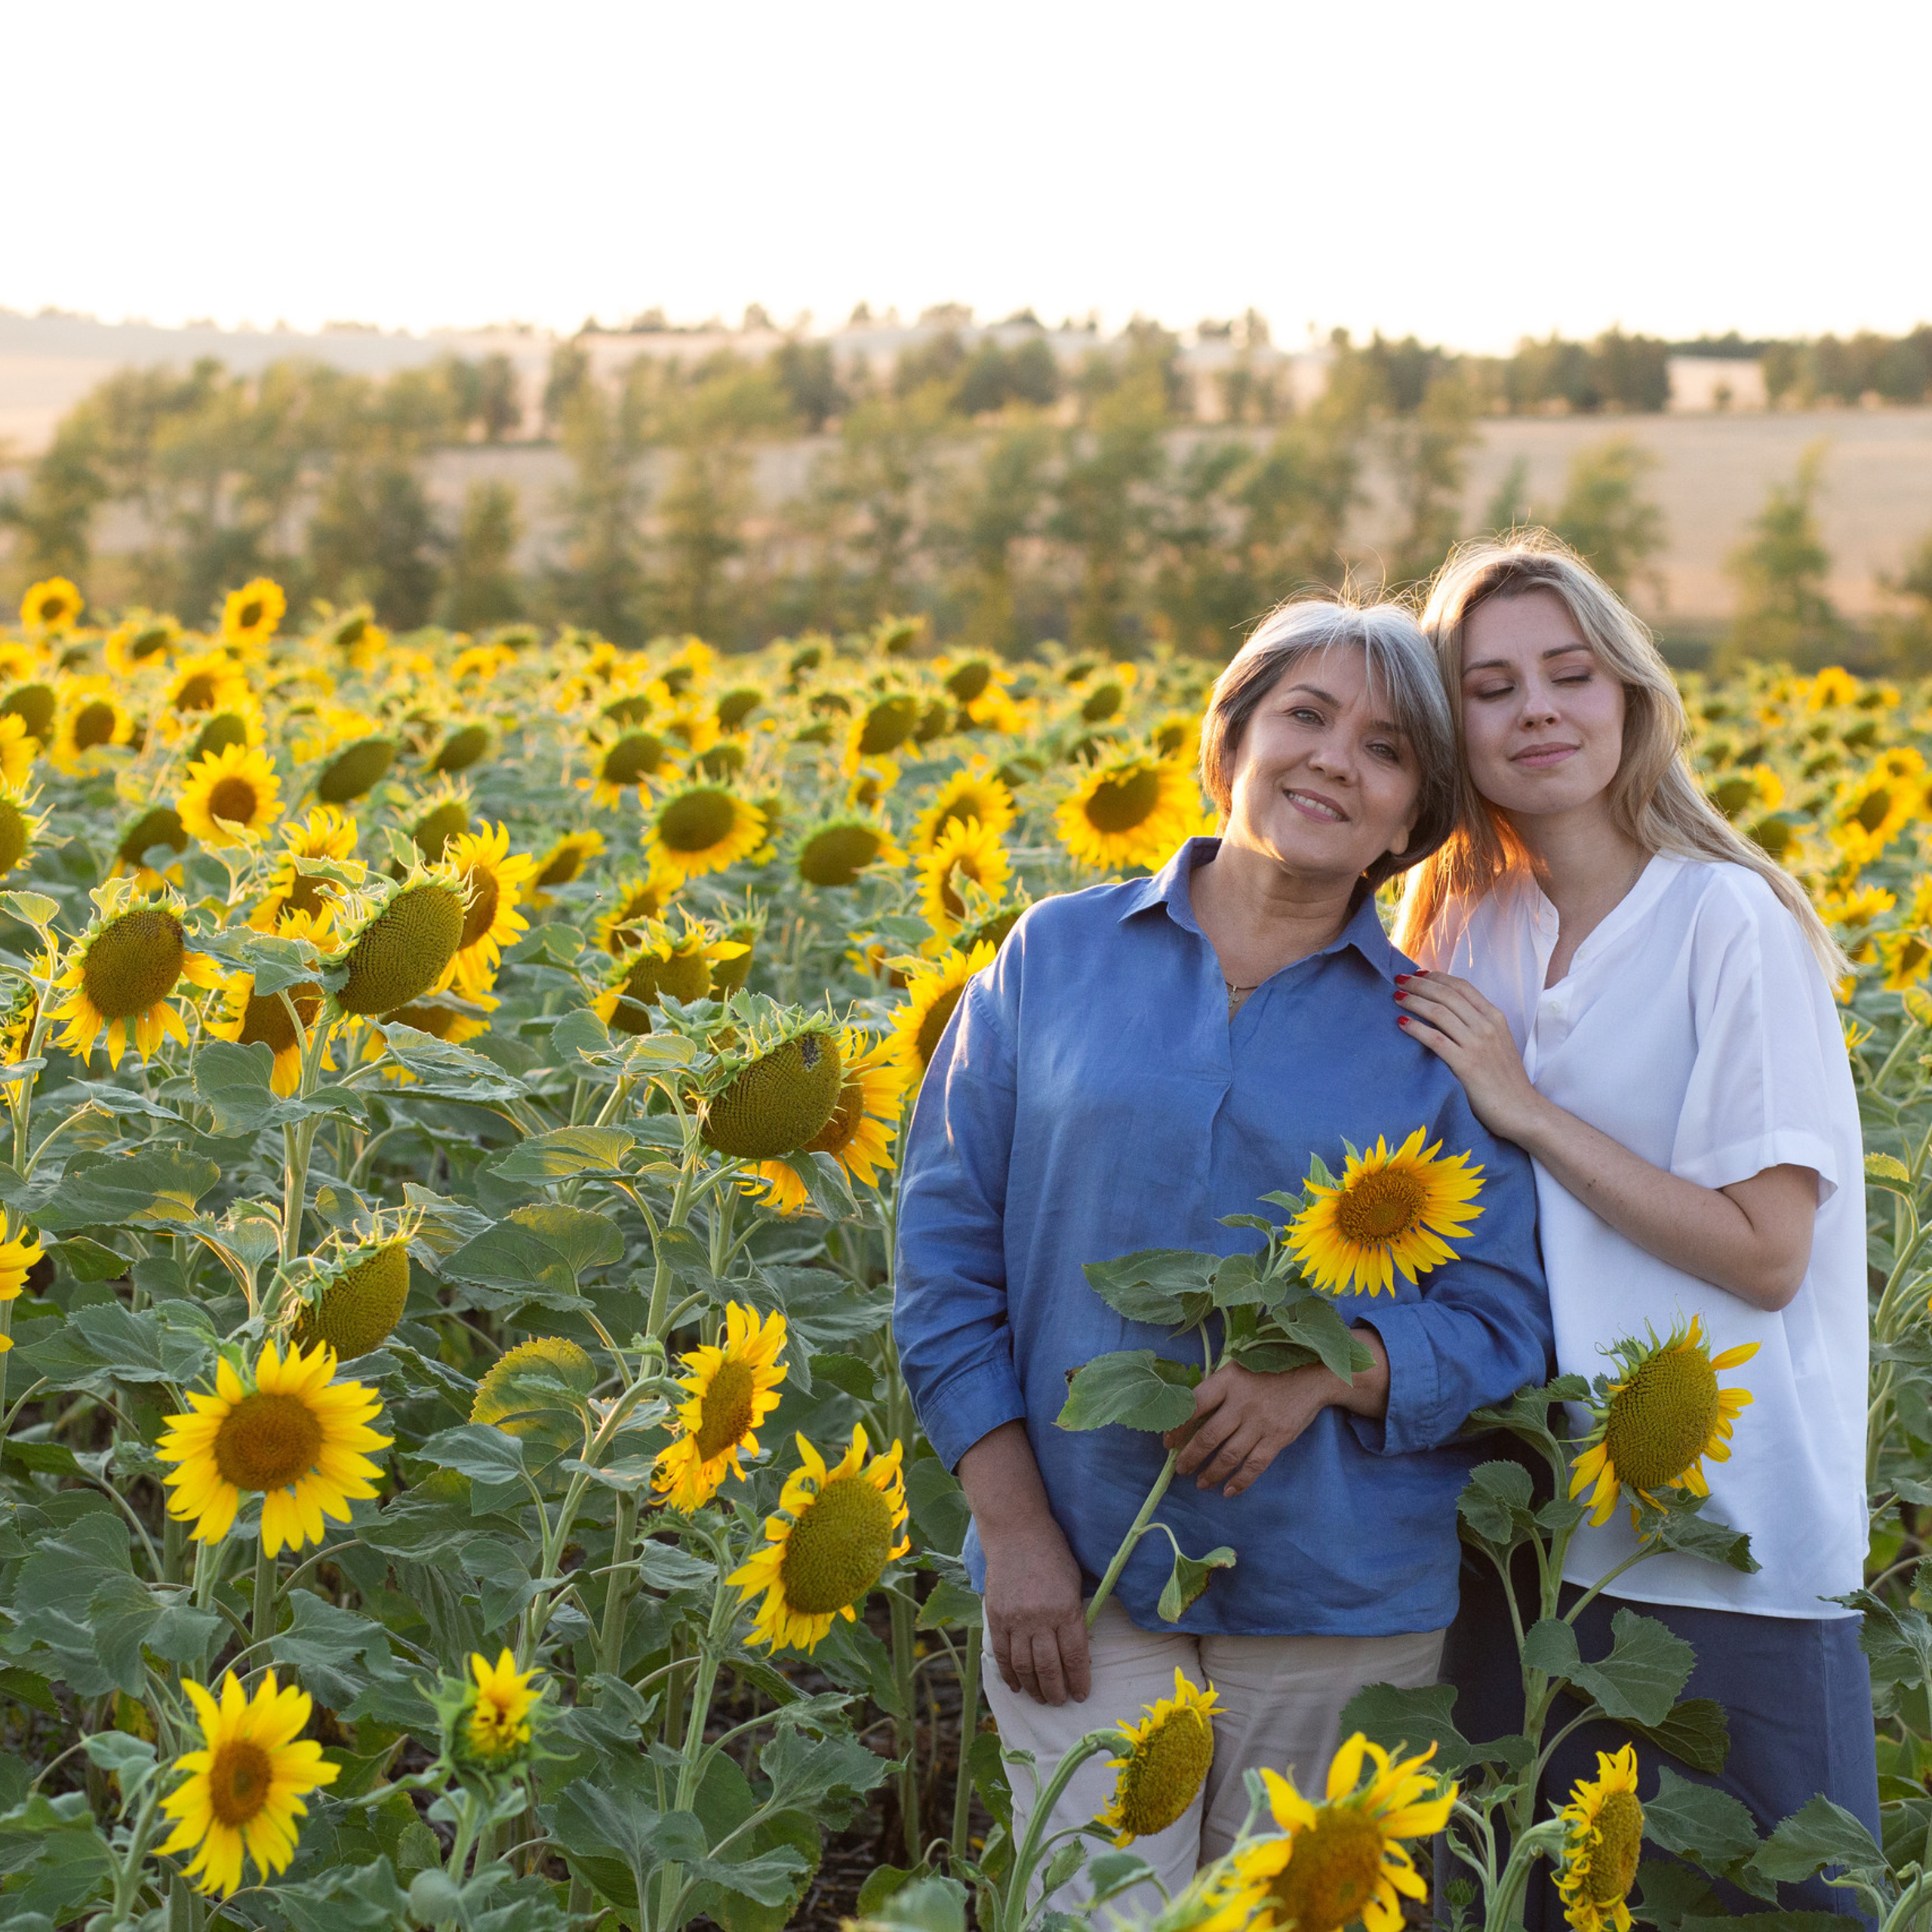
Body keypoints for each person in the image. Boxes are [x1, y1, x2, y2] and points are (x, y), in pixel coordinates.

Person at [894, 598, 1552, 1907]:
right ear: (1231, 740)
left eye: (1383, 749)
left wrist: (1328, 1370)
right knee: (1092, 1904)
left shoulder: (1434, 1035)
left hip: (1338, 1582)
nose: (1331, 761)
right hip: (1082, 1563)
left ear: (1409, 815)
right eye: (1304, 716)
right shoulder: (1054, 958)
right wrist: (1013, 1528)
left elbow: (1503, 1318)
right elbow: (943, 1254)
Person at [1392, 534, 1878, 1921]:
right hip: (1507, 1528)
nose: (1537, 708)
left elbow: (1766, 1252)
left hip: (1717, 1530)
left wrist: (1527, 1108)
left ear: (1629, 697)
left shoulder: (1728, 920)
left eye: (1569, 671)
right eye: (1490, 687)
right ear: (1453, 730)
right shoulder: (1458, 921)